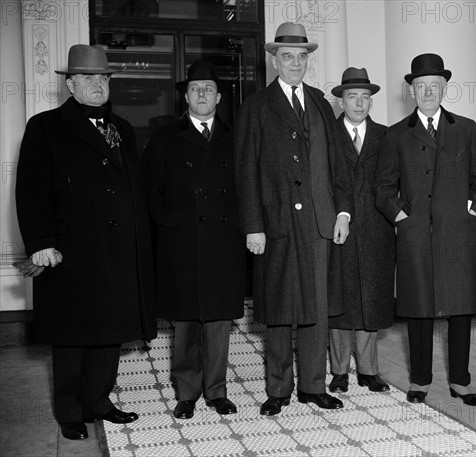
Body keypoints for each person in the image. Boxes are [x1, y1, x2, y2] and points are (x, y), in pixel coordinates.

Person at [15, 44, 156, 440]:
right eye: (89, 78)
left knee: (110, 331)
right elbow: (31, 191)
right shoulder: (45, 127)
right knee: (74, 336)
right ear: (71, 84)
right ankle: (70, 410)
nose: (98, 84)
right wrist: (40, 241)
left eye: (104, 78)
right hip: (70, 250)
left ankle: (99, 400)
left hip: (115, 250)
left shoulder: (123, 129)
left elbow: (133, 191)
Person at [234, 22, 353, 416]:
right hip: (276, 224)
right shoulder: (255, 106)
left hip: (320, 223)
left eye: (302, 57)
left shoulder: (321, 102)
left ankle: (314, 387)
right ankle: (279, 389)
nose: (296, 63)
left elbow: (337, 166)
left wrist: (342, 212)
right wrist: (253, 225)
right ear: (274, 60)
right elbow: (245, 170)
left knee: (317, 309)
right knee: (281, 309)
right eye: (287, 56)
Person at [374, 53, 476, 406]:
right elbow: (383, 187)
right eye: (421, 86)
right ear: (411, 91)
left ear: (445, 89)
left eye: (434, 86)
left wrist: (473, 210)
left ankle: (460, 381)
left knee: (460, 310)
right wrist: (402, 219)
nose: (428, 92)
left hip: (459, 233)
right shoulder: (396, 135)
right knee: (419, 310)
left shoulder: (467, 129)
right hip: (416, 236)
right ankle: (420, 380)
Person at [142, 61, 245, 419]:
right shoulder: (164, 136)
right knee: (185, 320)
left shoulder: (236, 137)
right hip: (181, 241)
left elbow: (245, 190)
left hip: (222, 241)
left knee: (218, 320)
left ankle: (216, 390)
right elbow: (150, 191)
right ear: (186, 96)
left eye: (208, 88)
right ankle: (187, 391)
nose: (202, 94)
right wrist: (167, 225)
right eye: (195, 88)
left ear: (218, 96)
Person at [327, 67, 395, 394]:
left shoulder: (386, 136)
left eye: (365, 97)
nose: (359, 103)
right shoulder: (326, 134)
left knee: (371, 298)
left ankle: (369, 370)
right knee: (340, 300)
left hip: (376, 229)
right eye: (352, 96)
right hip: (338, 229)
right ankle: (339, 371)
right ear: (341, 100)